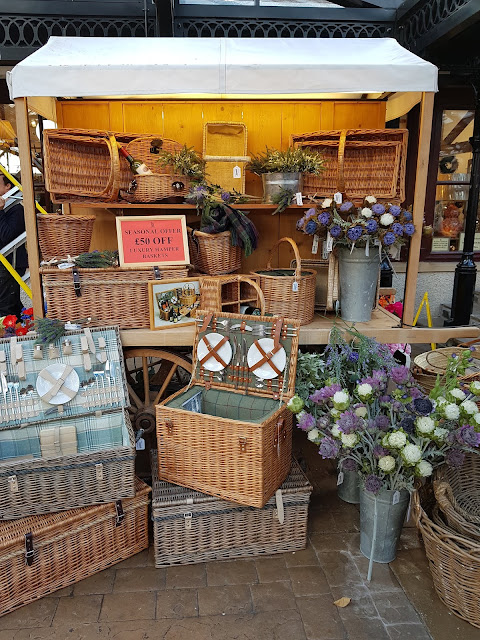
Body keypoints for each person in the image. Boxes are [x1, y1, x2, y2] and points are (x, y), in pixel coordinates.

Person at [0, 173, 28, 318]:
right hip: (5, 263)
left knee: (6, 307)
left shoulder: (16, 209)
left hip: (11, 263)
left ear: (8, 186)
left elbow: (7, 235)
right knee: (11, 304)